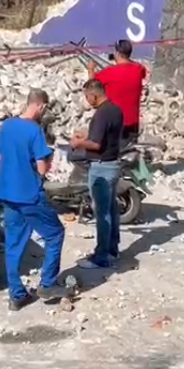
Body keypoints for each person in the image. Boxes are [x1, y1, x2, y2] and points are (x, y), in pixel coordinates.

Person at [0, 89, 66, 310]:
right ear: (41, 106)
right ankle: (47, 283)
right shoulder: (35, 131)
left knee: (14, 243)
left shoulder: (6, 125)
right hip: (29, 193)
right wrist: (47, 161)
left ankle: (16, 295)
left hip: (7, 192)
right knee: (55, 234)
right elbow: (42, 168)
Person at [70, 78, 126, 270]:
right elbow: (105, 136)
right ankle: (112, 249)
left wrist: (78, 143)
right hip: (113, 164)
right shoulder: (116, 110)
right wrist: (87, 136)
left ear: (94, 95)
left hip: (101, 167)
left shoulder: (101, 114)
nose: (87, 101)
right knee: (111, 210)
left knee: (102, 214)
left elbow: (97, 144)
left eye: (87, 97)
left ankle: (101, 256)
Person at [86, 39, 148, 142]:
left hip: (115, 124)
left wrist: (90, 69)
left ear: (117, 53)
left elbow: (92, 85)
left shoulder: (109, 72)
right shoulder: (138, 69)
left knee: (113, 154)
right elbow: (141, 69)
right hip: (133, 124)